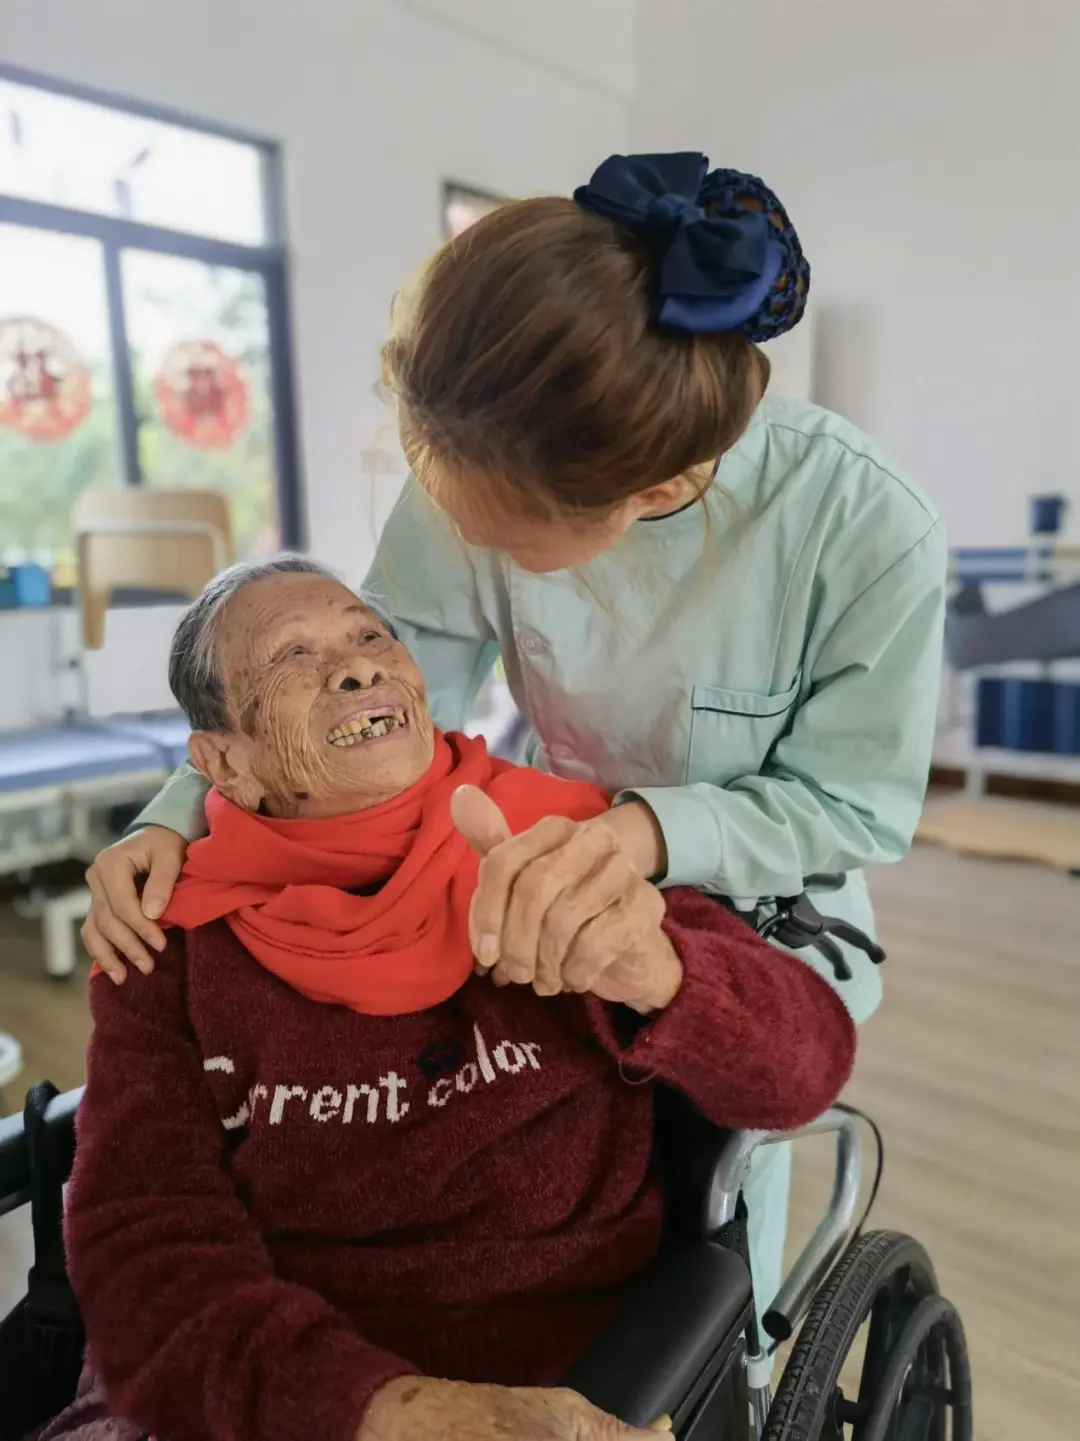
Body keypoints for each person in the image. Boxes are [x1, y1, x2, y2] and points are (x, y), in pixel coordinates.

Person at [79, 152, 946, 1310]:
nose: (356, 661)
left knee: (715, 1213)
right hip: (527, 852)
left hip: (747, 882)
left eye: (498, 535)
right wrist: (175, 817)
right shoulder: (479, 446)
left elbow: (848, 804)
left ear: (634, 506)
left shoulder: (860, 528)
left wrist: (631, 840)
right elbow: (373, 692)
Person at [54, 559, 855, 1441]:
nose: (357, 667)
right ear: (224, 763)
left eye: (370, 635)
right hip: (279, 1386)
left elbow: (805, 1064)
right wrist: (383, 1412)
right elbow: (145, 1239)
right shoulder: (166, 936)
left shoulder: (557, 847)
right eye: (291, 658)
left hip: (558, 1369)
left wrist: (656, 968)